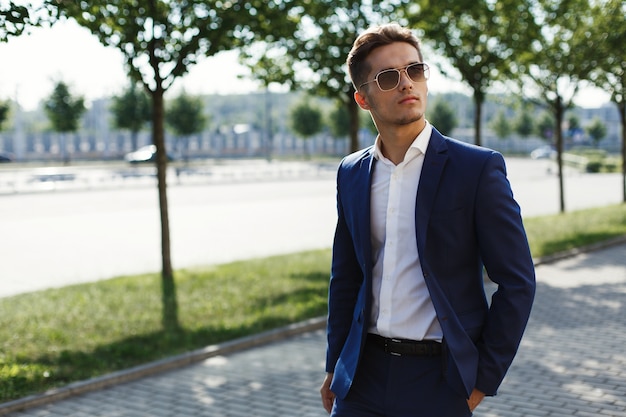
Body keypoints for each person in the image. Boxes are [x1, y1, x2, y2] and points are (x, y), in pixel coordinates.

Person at [320, 23, 536, 417]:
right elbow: (346, 277)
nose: (407, 84)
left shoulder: (476, 169)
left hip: (439, 380)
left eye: (414, 70)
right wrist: (336, 363)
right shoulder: (351, 172)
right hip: (362, 378)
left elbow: (518, 280)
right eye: (389, 77)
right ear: (363, 99)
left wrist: (482, 380)